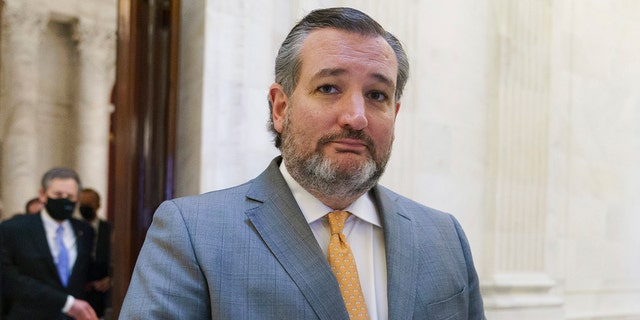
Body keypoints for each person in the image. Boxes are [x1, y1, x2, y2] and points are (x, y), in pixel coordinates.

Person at [121, 7, 485, 319]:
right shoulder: (193, 234)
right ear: (281, 107)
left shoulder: (444, 237)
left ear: (395, 113)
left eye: (377, 95)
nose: (356, 117)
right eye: (329, 88)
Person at [0, 167, 98, 320]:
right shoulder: (14, 229)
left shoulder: (85, 231)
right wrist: (66, 303)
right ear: (43, 195)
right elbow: (10, 279)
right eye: (58, 194)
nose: (64, 200)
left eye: (70, 196)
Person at [78, 188, 112, 319]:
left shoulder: (109, 229)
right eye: (82, 204)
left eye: (89, 204)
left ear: (98, 205)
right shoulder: (73, 229)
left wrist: (110, 279)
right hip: (80, 291)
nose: (85, 208)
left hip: (103, 294)